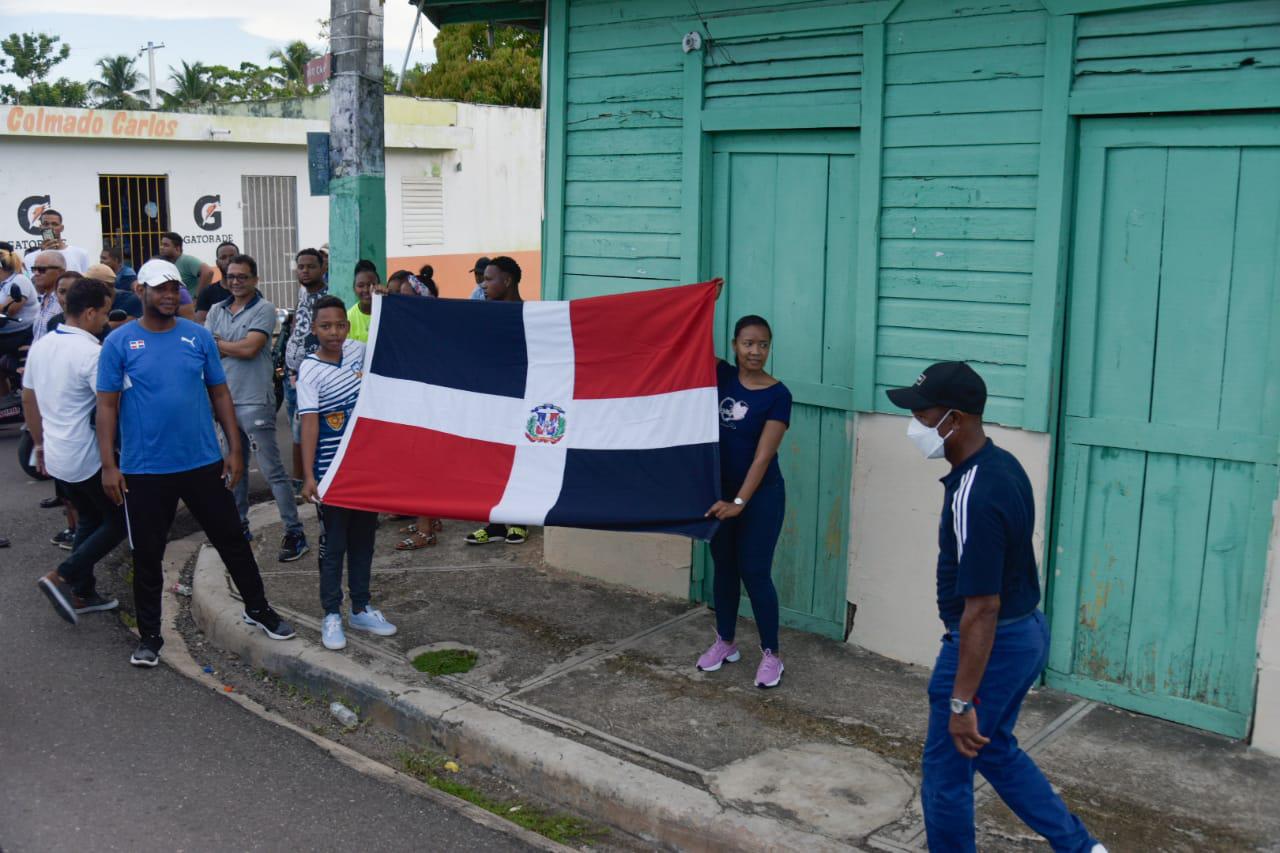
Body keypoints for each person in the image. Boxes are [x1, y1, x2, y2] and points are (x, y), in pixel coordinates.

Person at [886, 362, 1104, 853]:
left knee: (945, 774)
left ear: (955, 420)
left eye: (923, 415)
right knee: (995, 749)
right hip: (1025, 633)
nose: (914, 425)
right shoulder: (1002, 465)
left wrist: (961, 700)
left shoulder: (974, 493)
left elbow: (981, 608)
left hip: (991, 644)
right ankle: (1082, 848)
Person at [96, 257, 296, 667]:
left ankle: (257, 608)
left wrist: (235, 451)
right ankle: (150, 636)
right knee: (148, 554)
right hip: (145, 470)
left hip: (203, 463)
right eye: (161, 289)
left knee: (233, 542)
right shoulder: (118, 343)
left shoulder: (197, 337)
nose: (170, 296)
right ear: (141, 292)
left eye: (175, 289)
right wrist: (108, 465)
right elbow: (107, 406)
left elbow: (220, 393)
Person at [696, 315, 791, 689]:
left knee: (754, 571)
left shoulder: (777, 395)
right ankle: (726, 641)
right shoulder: (720, 376)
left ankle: (772, 654)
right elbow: (691, 339)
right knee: (723, 567)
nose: (755, 351)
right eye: (748, 343)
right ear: (735, 344)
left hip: (761, 496)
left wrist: (739, 501)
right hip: (721, 495)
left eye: (763, 344)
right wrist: (706, 303)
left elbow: (763, 457)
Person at [298, 295, 396, 651]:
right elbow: (308, 423)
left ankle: (360, 607)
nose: (334, 332)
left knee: (364, 541)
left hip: (364, 468)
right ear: (314, 329)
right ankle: (331, 613)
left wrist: (392, 303)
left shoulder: (360, 351)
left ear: (348, 325)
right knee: (333, 544)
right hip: (331, 471)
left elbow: (394, 346)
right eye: (326, 326)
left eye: (340, 324)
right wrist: (309, 475)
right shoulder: (309, 369)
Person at [28, 278, 124, 622]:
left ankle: (83, 593)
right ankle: (63, 575)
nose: (106, 321)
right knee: (118, 522)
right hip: (88, 456)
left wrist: (39, 444)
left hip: (57, 453)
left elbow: (29, 397)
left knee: (89, 518)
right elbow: (109, 407)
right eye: (104, 313)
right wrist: (111, 462)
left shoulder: (43, 345)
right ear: (89, 312)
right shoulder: (93, 353)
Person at [205, 253, 309, 561]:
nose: (236, 282)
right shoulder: (216, 309)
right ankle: (239, 527)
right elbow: (208, 350)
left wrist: (220, 343)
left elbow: (251, 349)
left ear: (255, 280)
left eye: (242, 277)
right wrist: (229, 346)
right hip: (224, 401)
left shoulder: (264, 309)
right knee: (233, 471)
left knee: (272, 471)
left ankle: (294, 532)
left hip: (254, 400)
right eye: (231, 276)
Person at [464, 257, 529, 546]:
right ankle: (494, 522)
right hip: (489, 398)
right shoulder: (484, 313)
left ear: (508, 281)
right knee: (490, 458)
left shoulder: (530, 314)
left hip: (520, 398)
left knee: (519, 457)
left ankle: (520, 520)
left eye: (489, 279)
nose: (483, 284)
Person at [283, 248, 328, 491]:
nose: (305, 271)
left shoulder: (329, 295)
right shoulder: (302, 292)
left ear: (323, 268)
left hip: (314, 377)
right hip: (292, 376)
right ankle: (300, 481)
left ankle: (313, 479)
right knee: (296, 430)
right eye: (301, 266)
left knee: (310, 430)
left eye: (311, 266)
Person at [23, 209, 90, 273]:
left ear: (61, 228)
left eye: (54, 224)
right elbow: (34, 281)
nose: (50, 227)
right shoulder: (30, 258)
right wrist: (44, 254)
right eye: (46, 224)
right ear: (40, 227)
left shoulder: (80, 254)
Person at [158, 231, 214, 297]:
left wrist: (198, 298)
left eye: (166, 245)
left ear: (177, 248)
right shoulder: (167, 264)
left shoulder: (185, 260)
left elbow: (208, 272)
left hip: (191, 305)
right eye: (162, 244)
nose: (162, 247)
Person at [28, 251, 65, 345]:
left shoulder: (64, 301)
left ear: (60, 272)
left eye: (42, 269)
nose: (36, 273)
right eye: (34, 269)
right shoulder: (43, 298)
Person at [195, 241, 237, 324]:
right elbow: (200, 322)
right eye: (223, 257)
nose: (228, 261)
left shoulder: (251, 293)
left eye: (232, 256)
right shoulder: (207, 293)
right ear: (217, 263)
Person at [347, 259, 378, 343]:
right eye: (360, 285)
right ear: (354, 288)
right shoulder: (348, 318)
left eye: (371, 285)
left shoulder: (387, 313)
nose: (366, 290)